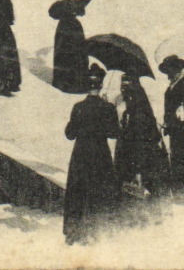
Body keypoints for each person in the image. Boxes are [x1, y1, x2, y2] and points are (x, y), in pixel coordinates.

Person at [62, 65, 120, 245]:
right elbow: (114, 133)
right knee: (100, 192)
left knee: (77, 193)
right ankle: (98, 233)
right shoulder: (108, 107)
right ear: (101, 85)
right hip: (100, 156)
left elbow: (69, 134)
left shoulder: (78, 107)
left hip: (80, 156)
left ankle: (74, 234)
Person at [114, 72, 170, 217]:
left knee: (142, 191)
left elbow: (139, 141)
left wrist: (137, 169)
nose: (123, 89)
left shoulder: (138, 113)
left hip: (141, 159)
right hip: (134, 156)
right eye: (122, 85)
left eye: (126, 86)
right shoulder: (131, 109)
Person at [156, 56, 184, 203]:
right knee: (177, 162)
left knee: (181, 164)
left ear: (176, 69)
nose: (167, 74)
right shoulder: (171, 88)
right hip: (175, 131)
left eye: (169, 70)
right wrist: (166, 123)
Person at [49, 0, 90, 93]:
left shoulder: (60, 4)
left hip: (63, 29)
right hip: (75, 29)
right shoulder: (78, 4)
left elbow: (52, 12)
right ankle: (78, 82)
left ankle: (62, 82)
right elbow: (82, 12)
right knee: (77, 53)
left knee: (62, 53)